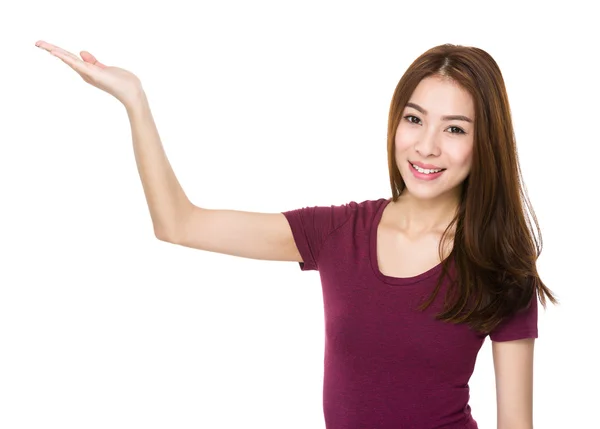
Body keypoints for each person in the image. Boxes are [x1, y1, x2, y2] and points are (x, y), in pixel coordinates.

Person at [35, 40, 558, 429]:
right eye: (414, 119)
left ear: (483, 142)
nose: (426, 146)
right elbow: (179, 224)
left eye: (455, 129)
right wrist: (135, 100)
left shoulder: (499, 267)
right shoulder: (337, 232)